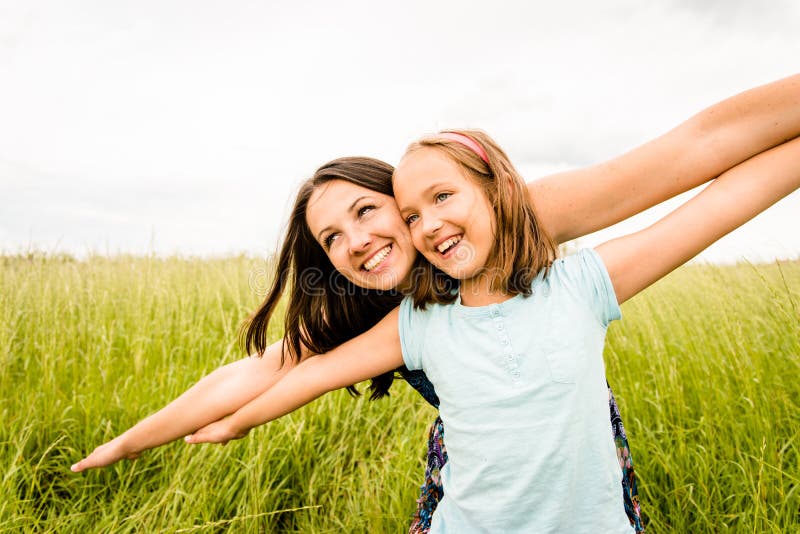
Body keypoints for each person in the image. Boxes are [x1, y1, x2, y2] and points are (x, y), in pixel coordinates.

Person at [71, 75, 800, 531]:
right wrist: (134, 439)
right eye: (331, 237)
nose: (358, 241)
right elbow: (264, 373)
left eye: (369, 212)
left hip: (569, 457)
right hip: (477, 476)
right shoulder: (383, 307)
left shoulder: (519, 221)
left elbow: (698, 152)